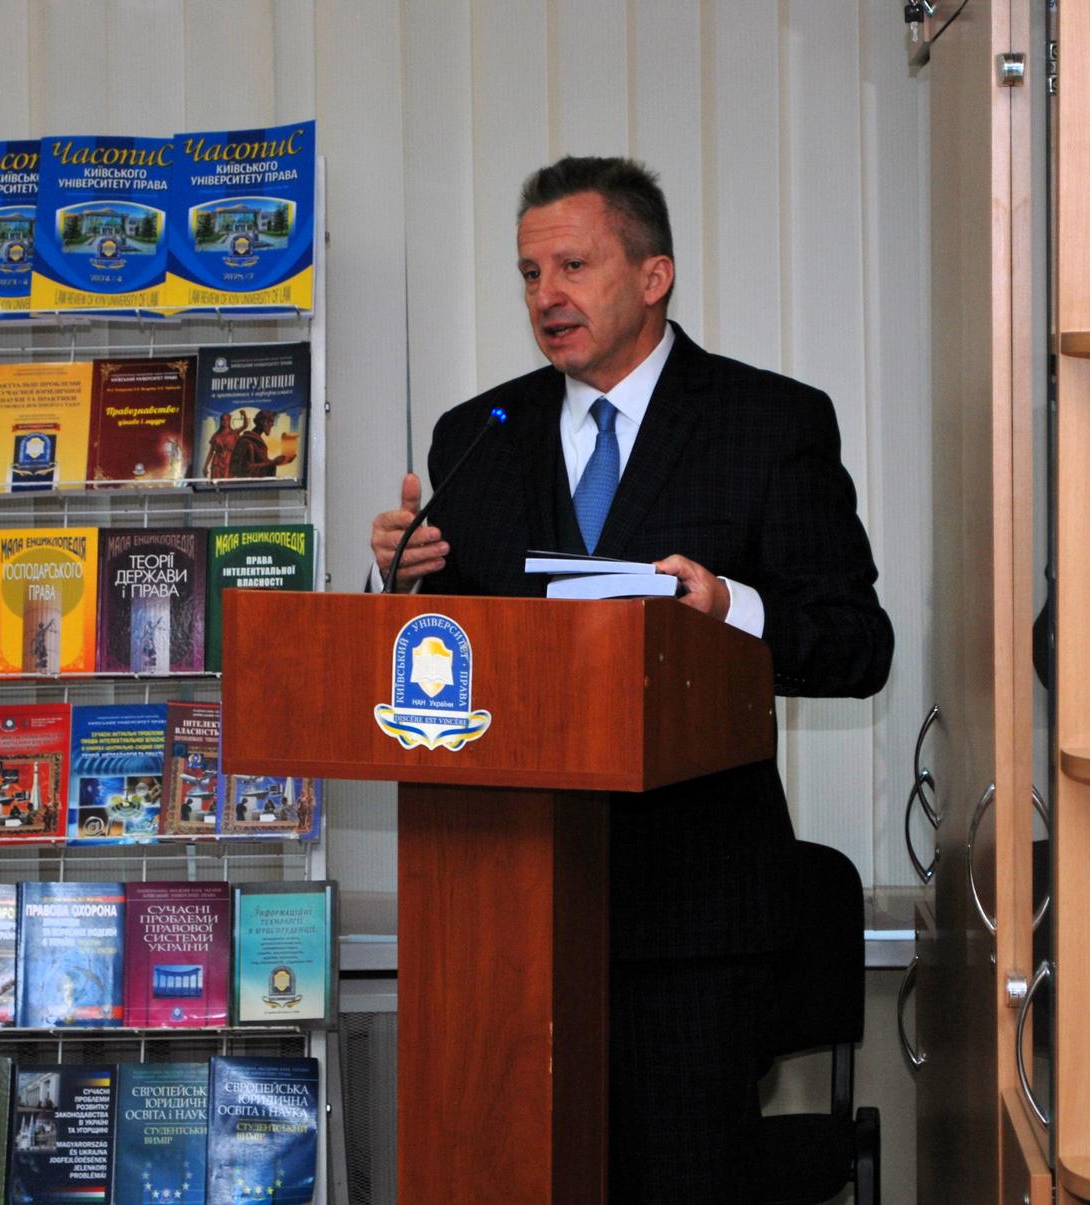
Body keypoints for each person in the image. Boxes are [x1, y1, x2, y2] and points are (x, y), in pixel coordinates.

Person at [369, 155, 892, 1202]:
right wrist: (402, 582)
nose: (545, 296)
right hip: (507, 907)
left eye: (573, 265)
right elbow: (451, 666)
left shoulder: (768, 422)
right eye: (529, 273)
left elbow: (855, 644)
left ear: (654, 276)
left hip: (694, 912)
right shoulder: (478, 434)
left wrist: (729, 611)